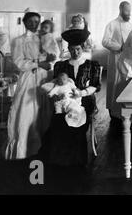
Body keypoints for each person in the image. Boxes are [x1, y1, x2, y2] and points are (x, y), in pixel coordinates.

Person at [39, 28, 101, 167]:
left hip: (84, 101)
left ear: (82, 48)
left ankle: (77, 162)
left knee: (77, 124)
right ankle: (59, 161)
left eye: (78, 49)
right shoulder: (61, 65)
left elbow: (96, 86)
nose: (75, 52)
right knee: (58, 122)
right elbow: (55, 84)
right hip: (64, 102)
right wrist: (56, 96)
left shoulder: (92, 65)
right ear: (68, 49)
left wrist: (81, 93)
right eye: (72, 49)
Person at [5, 9, 53, 160]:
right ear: (25, 22)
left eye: (36, 22)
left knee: (44, 114)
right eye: (31, 22)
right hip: (28, 81)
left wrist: (50, 59)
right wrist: (39, 63)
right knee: (25, 115)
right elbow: (19, 63)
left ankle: (44, 151)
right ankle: (23, 152)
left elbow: (53, 56)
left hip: (43, 79)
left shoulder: (44, 37)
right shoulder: (18, 41)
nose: (34, 24)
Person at [102, 1, 132, 121]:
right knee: (115, 84)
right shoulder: (112, 24)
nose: (129, 13)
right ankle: (114, 112)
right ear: (120, 10)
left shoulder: (131, 25)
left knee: (126, 84)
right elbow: (105, 41)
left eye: (130, 11)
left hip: (128, 59)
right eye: (126, 11)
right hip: (116, 58)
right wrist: (119, 47)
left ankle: (126, 110)